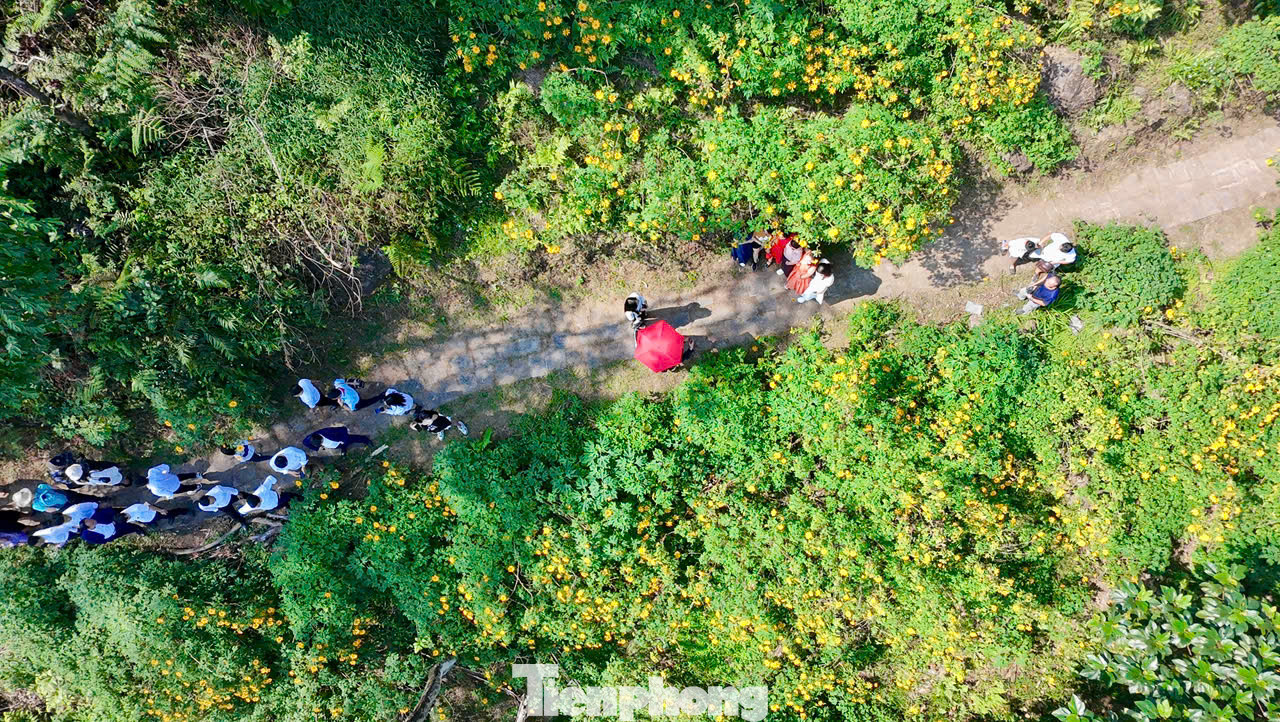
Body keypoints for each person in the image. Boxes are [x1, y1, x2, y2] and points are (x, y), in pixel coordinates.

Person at [18, 484, 98, 514]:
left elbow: (50, 510)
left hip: (64, 505)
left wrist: (58, 510)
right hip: (66, 495)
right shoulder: (40, 487)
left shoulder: (36, 505)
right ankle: (98, 499)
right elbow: (55, 487)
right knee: (82, 497)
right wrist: (62, 491)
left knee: (81, 507)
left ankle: (97, 506)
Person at [302, 426, 374, 454]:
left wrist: (344, 438)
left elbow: (338, 430)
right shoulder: (309, 439)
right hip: (334, 445)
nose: (321, 444)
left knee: (354, 439)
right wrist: (316, 448)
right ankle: (343, 448)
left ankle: (366, 440)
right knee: (340, 446)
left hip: (340, 439)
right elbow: (305, 442)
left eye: (321, 442)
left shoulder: (327, 432)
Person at [120, 502, 190, 528]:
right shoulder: (124, 518)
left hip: (154, 513)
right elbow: (131, 521)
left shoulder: (136, 508)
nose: (128, 520)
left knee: (168, 513)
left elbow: (149, 507)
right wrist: (139, 524)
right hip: (148, 519)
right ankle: (170, 516)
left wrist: (160, 510)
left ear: (125, 515)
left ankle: (184, 511)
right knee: (166, 516)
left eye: (128, 518)